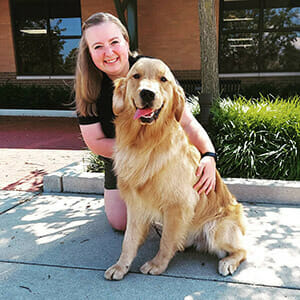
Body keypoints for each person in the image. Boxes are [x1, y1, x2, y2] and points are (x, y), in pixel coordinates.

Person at [75, 12, 217, 231]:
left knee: (189, 213)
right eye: (98, 46)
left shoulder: (154, 69)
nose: (109, 52)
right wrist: (140, 154)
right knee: (120, 222)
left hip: (165, 154)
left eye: (114, 42)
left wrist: (209, 155)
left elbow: (186, 122)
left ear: (126, 41)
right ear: (89, 52)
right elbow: (95, 141)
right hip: (122, 158)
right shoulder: (89, 87)